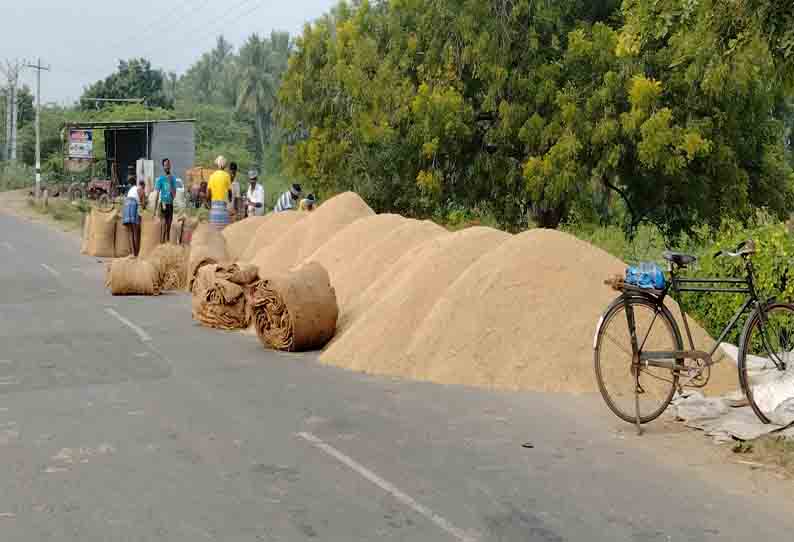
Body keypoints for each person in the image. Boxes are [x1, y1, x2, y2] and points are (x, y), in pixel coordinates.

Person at [207, 155, 233, 230]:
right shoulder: (227, 176)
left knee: (213, 231)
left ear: (217, 165)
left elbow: (208, 193)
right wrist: (230, 200)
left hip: (214, 208)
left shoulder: (212, 176)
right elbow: (230, 192)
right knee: (223, 231)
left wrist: (208, 203)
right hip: (223, 209)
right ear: (224, 166)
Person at [155, 158, 177, 243]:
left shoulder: (173, 179)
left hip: (170, 204)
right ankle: (161, 243)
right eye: (165, 165)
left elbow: (174, 195)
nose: (167, 166)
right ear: (163, 167)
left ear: (170, 166)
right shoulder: (160, 179)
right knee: (163, 225)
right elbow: (157, 194)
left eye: (168, 165)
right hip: (163, 204)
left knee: (169, 226)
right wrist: (155, 209)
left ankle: (167, 243)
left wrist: (171, 182)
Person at [122, 180, 146, 256]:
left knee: (130, 232)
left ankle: (132, 253)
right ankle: (136, 254)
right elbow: (143, 205)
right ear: (143, 186)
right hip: (132, 205)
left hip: (126, 205)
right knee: (135, 231)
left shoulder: (133, 188)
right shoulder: (141, 190)